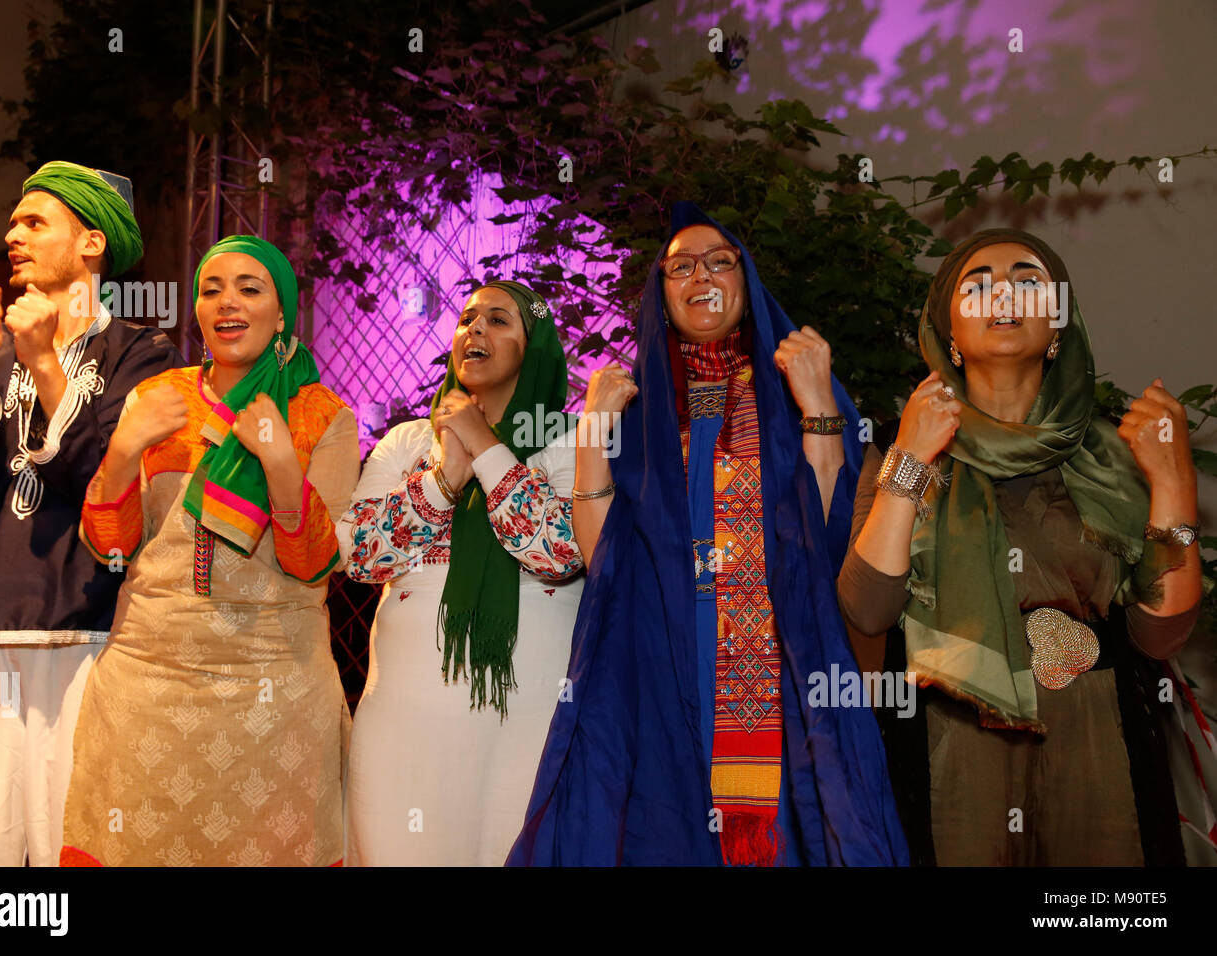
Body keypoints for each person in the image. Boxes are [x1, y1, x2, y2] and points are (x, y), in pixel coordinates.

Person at [508, 203, 906, 866]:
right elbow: (601, 557)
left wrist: (818, 409)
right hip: (664, 658)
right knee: (668, 832)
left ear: (747, 283)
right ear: (661, 297)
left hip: (779, 663)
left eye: (721, 261)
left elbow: (832, 534)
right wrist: (592, 437)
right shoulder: (637, 404)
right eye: (681, 267)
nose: (703, 275)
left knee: (793, 834)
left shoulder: (792, 387)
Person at [837, 228, 1202, 865]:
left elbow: (1160, 634)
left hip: (1096, 729)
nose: (1002, 293)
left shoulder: (1117, 457)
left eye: (1027, 280)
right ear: (948, 333)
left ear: (1059, 326)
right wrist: (910, 459)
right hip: (952, 732)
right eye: (976, 285)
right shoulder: (907, 451)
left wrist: (1174, 483)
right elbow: (867, 609)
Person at [60, 236, 358, 866]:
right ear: (195, 309)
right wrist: (122, 451)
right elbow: (110, 548)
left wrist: (278, 458)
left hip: (275, 691)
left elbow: (314, 565)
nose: (227, 302)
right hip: (148, 684)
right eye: (211, 289)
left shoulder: (320, 416)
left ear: (283, 315)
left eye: (250, 288)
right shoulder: (157, 400)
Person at [0, 161, 182, 866]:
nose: (11, 234)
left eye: (34, 221)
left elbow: (105, 483)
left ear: (92, 242)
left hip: (88, 641)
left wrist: (43, 363)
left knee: (76, 851)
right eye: (12, 221)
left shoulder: (143, 354)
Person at [337, 279, 583, 865]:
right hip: (406, 717)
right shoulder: (406, 443)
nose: (474, 328)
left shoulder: (575, 441)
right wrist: (445, 477)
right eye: (467, 317)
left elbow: (560, 551)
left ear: (537, 346)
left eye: (499, 320)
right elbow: (361, 555)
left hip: (527, 717)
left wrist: (487, 449)